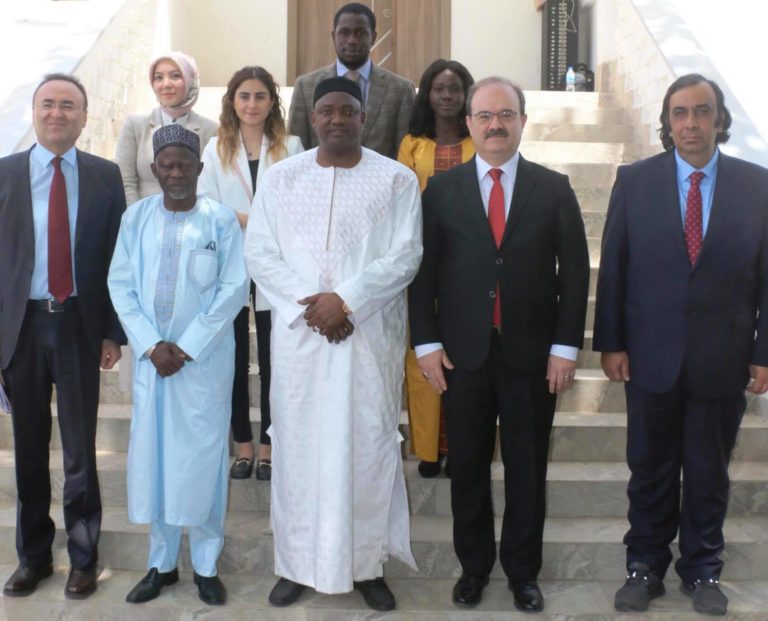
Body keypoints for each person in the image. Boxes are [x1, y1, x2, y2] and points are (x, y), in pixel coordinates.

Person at [408, 76, 590, 612]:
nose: (495, 125)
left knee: (527, 468)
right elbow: (424, 274)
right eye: (484, 115)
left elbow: (575, 275)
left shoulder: (553, 188)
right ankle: (474, 568)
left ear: (522, 122)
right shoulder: (441, 190)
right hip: (463, 357)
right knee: (466, 467)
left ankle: (522, 572)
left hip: (533, 360)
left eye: (505, 115)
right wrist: (426, 342)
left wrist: (565, 348)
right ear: (468, 124)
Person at [593, 74, 768, 617]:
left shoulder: (758, 185)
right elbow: (616, 266)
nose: (690, 123)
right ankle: (643, 568)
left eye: (701, 111)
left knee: (709, 470)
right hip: (650, 355)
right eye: (680, 113)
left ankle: (703, 571)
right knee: (649, 466)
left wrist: (764, 352)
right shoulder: (635, 180)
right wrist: (611, 342)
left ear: (719, 119)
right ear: (667, 123)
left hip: (725, 355)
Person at [245, 77, 422, 612]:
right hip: (301, 344)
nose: (337, 119)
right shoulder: (279, 180)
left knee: (366, 448)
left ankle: (366, 565)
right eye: (327, 111)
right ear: (312, 118)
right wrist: (315, 306)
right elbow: (260, 253)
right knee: (298, 451)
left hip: (366, 341)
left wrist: (344, 300)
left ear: (363, 117)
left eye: (348, 110)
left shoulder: (396, 180)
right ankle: (297, 564)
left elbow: (405, 255)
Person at [108, 124, 247, 606]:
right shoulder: (136, 219)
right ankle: (161, 564)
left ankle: (206, 565)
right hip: (152, 363)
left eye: (184, 165)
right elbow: (120, 286)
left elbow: (233, 289)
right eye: (166, 165)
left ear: (199, 169)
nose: (175, 173)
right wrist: (150, 345)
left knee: (204, 462)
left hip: (202, 364)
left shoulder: (220, 220)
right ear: (153, 170)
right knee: (156, 461)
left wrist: (184, 347)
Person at [0, 73, 126, 599]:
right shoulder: (4, 174)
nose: (57, 113)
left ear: (83, 116)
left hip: (77, 324)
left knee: (79, 451)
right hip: (19, 328)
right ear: (33, 112)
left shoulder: (104, 175)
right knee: (29, 448)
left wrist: (113, 331)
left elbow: (117, 260)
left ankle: (82, 556)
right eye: (48, 104)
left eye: (68, 105)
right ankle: (33, 557)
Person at [199, 66, 303, 481]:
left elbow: (299, 205)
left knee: (276, 359)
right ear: (232, 101)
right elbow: (206, 205)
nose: (252, 104)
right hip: (231, 263)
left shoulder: (291, 145)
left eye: (260, 96)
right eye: (244, 96)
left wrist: (255, 221)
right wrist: (252, 218)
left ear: (271, 102)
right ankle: (242, 443)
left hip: (277, 265)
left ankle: (271, 444)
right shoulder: (215, 148)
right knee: (234, 359)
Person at [397, 58, 475, 478]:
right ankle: (429, 449)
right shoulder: (412, 143)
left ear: (467, 96)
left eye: (455, 89)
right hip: (423, 263)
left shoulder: (478, 141)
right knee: (422, 354)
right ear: (427, 94)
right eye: (439, 89)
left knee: (467, 355)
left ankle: (462, 446)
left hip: (471, 264)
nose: (447, 96)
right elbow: (403, 203)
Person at [288, 2, 415, 159]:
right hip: (322, 181)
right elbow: (297, 150)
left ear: (373, 37)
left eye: (361, 33)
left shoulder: (401, 90)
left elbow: (404, 153)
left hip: (379, 181)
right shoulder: (305, 86)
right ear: (334, 36)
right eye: (344, 33)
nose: (352, 40)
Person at [115, 51, 218, 205]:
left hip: (194, 221)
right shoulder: (135, 125)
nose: (166, 84)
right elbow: (125, 179)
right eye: (158, 77)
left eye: (175, 76)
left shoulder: (211, 130)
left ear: (190, 80)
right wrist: (136, 218)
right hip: (144, 218)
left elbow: (212, 185)